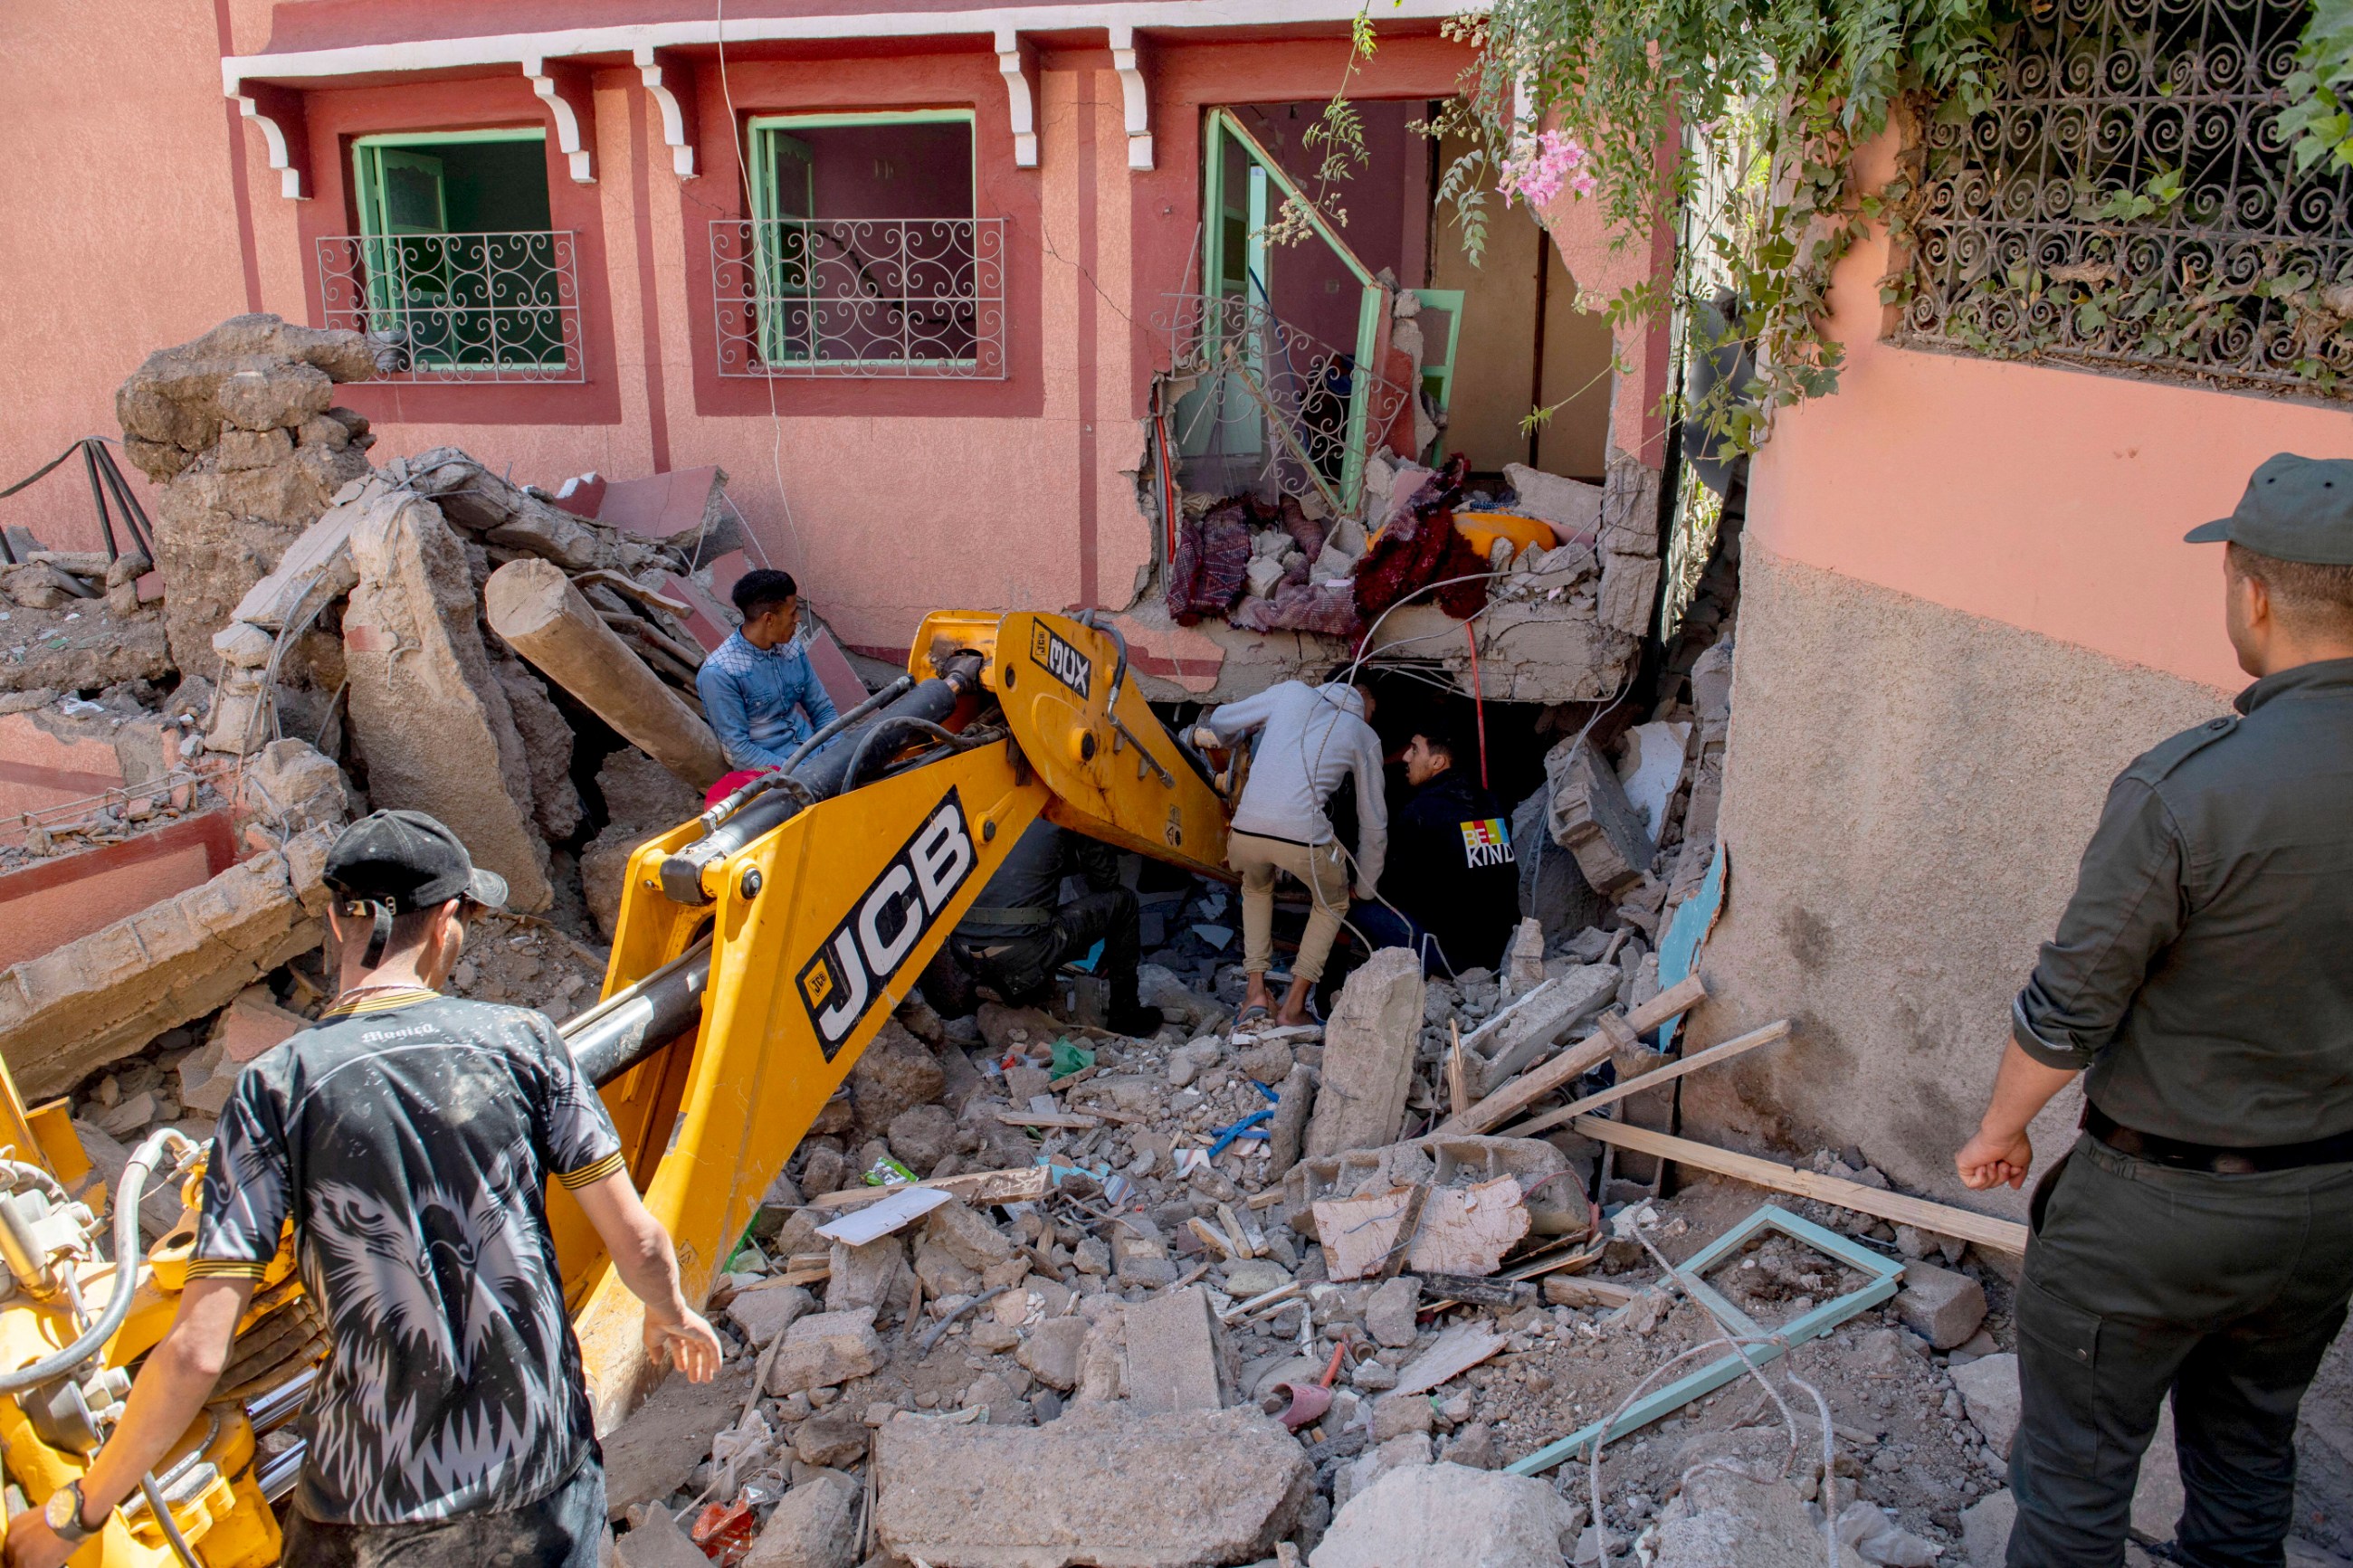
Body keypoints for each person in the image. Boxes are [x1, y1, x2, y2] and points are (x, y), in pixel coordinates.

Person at [6, 811, 722, 1568]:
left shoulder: (274, 1088)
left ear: (333, 921)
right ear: (448, 921)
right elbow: (638, 1239)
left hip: (373, 1507)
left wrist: (77, 1515)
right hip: (541, 1476)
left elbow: (194, 1354)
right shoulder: (525, 1043)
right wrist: (669, 1312)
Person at [1953, 452, 2353, 1568]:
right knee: (2247, 1464)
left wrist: (1996, 1130)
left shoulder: (2187, 786)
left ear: (2255, 593)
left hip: (2155, 1209)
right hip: (2324, 1205)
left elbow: (2066, 1006)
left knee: (2073, 1494)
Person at [1196, 677, 1386, 1031]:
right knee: (1331, 904)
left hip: (1246, 831)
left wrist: (1235, 738)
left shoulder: (1291, 693)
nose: (1370, 719)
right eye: (1371, 711)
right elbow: (1373, 821)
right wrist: (1365, 886)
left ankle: (1255, 992)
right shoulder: (1363, 735)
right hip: (1305, 839)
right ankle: (1292, 1007)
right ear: (1362, 697)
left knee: (1255, 890)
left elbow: (1220, 721)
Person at [935, 821, 1163, 1038]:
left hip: (962, 949)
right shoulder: (1065, 806)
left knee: (1018, 921)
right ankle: (1125, 1014)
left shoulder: (989, 803)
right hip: (1023, 950)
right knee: (1124, 902)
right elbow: (1106, 880)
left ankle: (1009, 988)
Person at [1353, 723, 1518, 976]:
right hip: (1499, 951)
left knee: (1351, 904)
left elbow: (1391, 888)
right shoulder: (1491, 803)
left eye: (1415, 750)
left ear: (1437, 762)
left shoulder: (1422, 811)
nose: (1406, 757)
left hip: (1448, 956)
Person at [696, 568, 841, 772]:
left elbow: (822, 709)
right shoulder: (720, 673)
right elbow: (739, 752)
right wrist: (805, 774)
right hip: (778, 778)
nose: (798, 619)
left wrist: (837, 755)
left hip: (818, 757)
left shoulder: (792, 648)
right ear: (769, 619)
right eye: (792, 613)